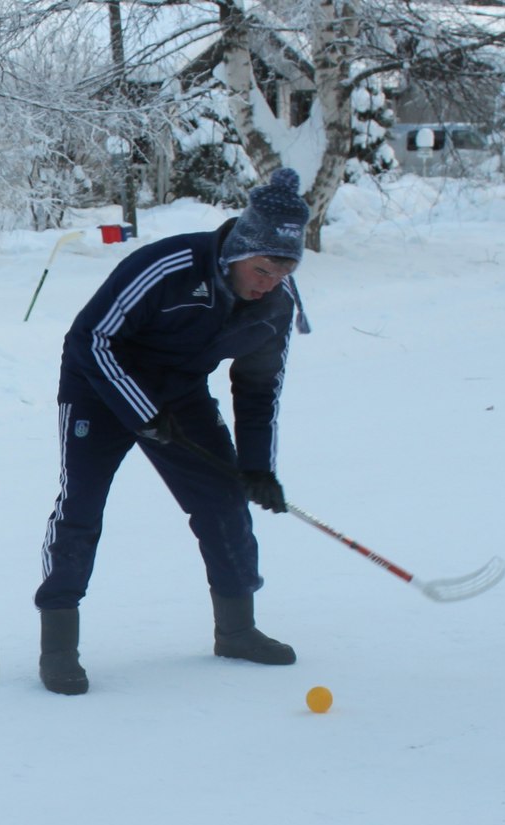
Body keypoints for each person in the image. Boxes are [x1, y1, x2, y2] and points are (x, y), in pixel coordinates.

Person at [35, 167, 311, 695]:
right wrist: (143, 413)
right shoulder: (170, 265)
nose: (267, 284)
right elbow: (92, 339)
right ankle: (58, 648)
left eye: (281, 274)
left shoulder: (274, 306)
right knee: (81, 509)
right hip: (97, 384)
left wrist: (256, 467)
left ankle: (237, 630)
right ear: (238, 253)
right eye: (261, 271)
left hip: (178, 395)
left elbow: (258, 389)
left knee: (225, 500)